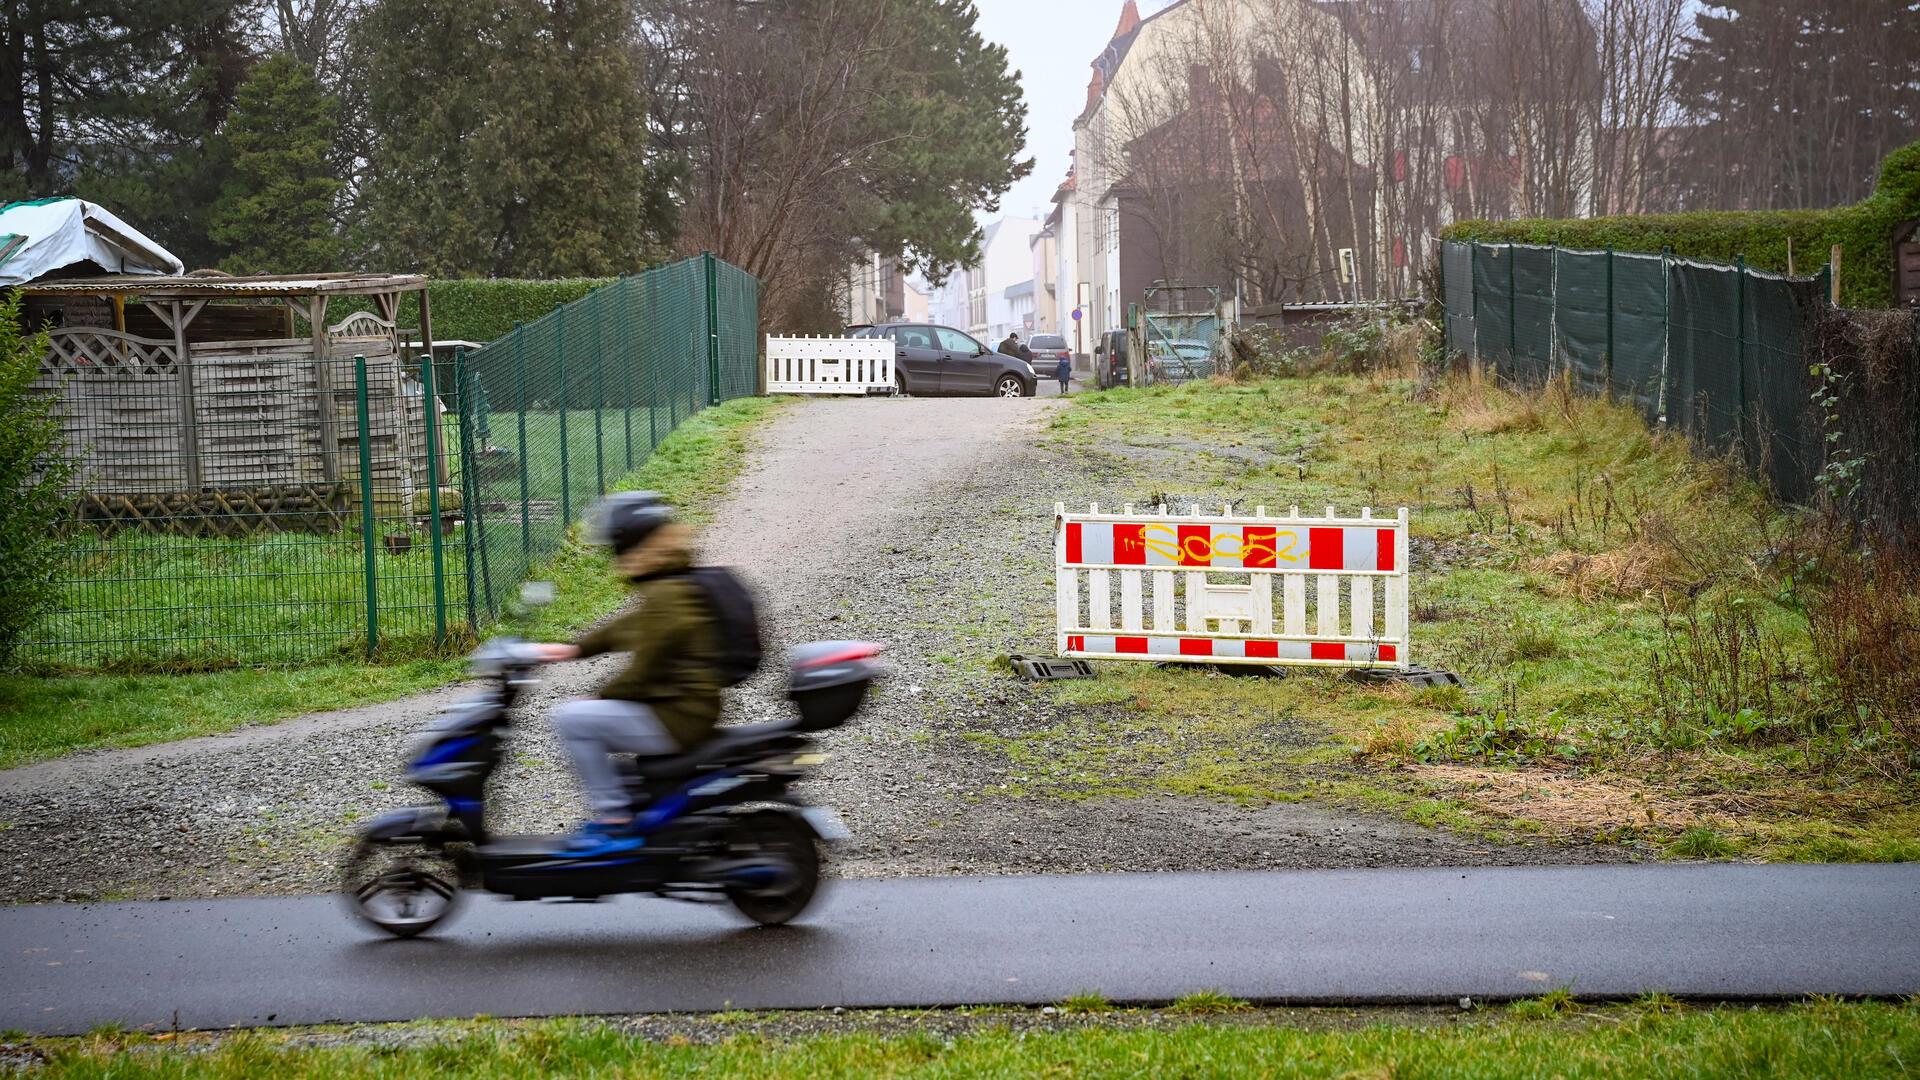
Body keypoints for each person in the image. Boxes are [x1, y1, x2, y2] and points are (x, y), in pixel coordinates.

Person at [535, 492, 722, 850]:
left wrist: (600, 697)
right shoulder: (669, 584)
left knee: (571, 719)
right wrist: (574, 649)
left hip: (679, 714)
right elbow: (631, 628)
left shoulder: (666, 595)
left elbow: (644, 670)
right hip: (683, 707)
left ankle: (614, 819)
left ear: (631, 543)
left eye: (615, 546)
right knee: (582, 715)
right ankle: (630, 806)